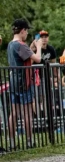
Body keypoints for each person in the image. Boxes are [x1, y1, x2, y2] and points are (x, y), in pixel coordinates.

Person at [7, 19, 43, 149]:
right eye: (26, 31)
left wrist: (31, 48)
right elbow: (37, 59)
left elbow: (26, 59)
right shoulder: (21, 45)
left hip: (13, 82)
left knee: (14, 113)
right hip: (24, 83)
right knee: (27, 112)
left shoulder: (11, 44)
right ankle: (29, 141)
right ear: (22, 31)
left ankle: (11, 142)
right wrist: (38, 47)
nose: (27, 33)